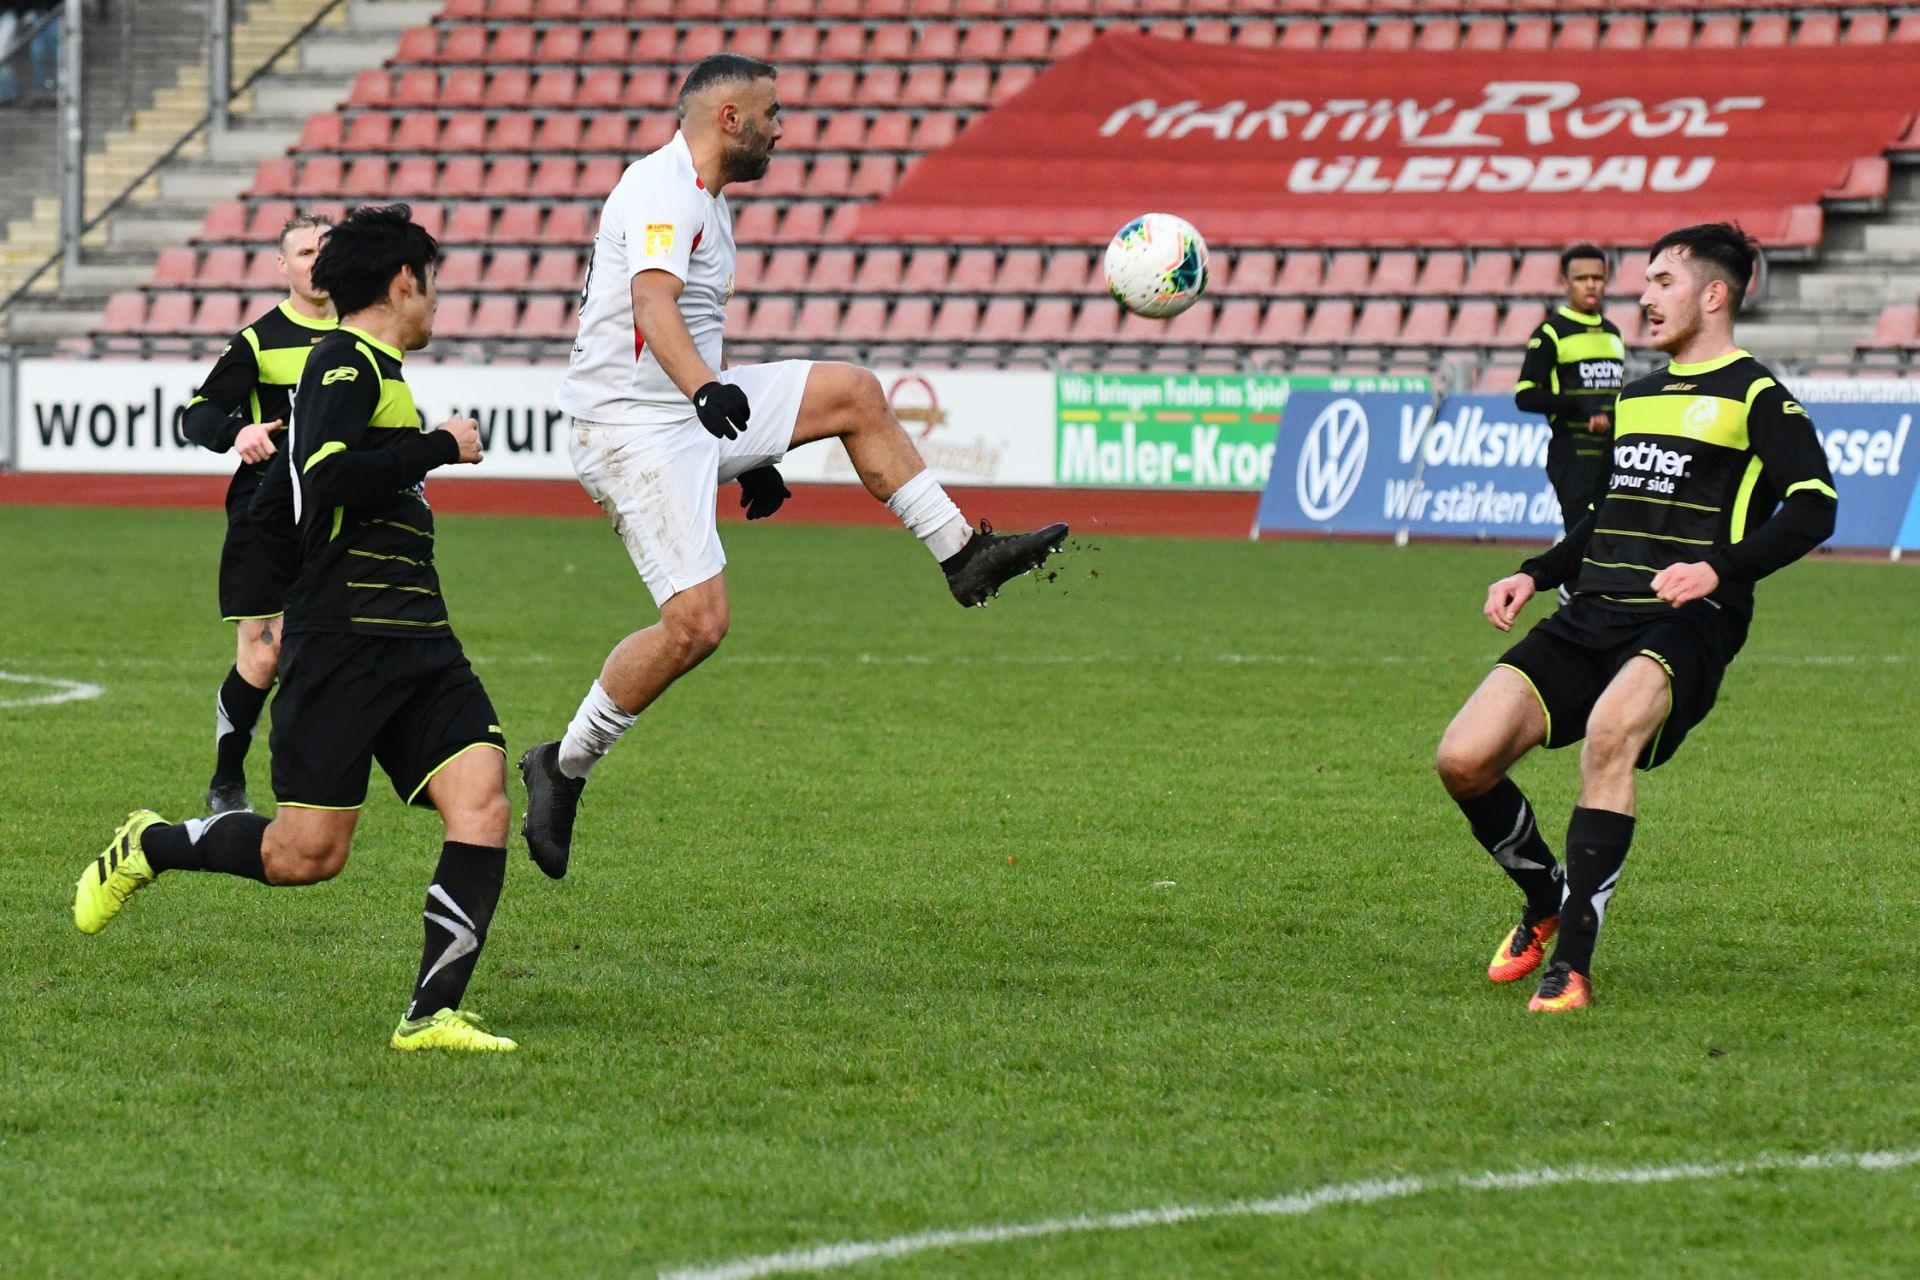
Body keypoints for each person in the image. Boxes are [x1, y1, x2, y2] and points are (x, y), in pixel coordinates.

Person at [517, 53, 1069, 877]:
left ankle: (963, 554)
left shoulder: (707, 199)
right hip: (630, 427)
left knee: (854, 393)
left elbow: (691, 330)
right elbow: (652, 306)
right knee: (698, 627)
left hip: (684, 409)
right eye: (772, 113)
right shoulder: (665, 187)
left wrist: (749, 451)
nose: (783, 128)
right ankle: (562, 765)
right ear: (728, 118)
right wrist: (709, 397)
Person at [73, 205, 519, 1053]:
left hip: (419, 636)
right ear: (401, 284)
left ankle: (431, 1015)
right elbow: (328, 479)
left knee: (483, 801)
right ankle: (151, 844)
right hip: (346, 637)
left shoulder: (376, 365)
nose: (435, 302)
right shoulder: (345, 363)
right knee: (305, 855)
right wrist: (437, 446)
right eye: (431, 285)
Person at [1434, 223, 1837, 1013]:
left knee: (1613, 733)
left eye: (1661, 281)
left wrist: (1721, 566)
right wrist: (1536, 571)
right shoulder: (1638, 395)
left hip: (1686, 620)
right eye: (1646, 283)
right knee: (1462, 758)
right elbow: (1611, 513)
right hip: (1590, 614)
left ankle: (1572, 967)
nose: (1643, 297)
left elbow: (1815, 507)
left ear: (1713, 295)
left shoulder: (1758, 395)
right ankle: (1544, 897)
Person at [180, 213, 336, 815]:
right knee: (264, 655)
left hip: (333, 512)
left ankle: (310, 782)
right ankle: (226, 780)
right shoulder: (258, 339)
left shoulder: (364, 334)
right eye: (303, 252)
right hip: (264, 512)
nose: (315, 261)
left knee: (320, 651)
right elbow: (196, 415)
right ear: (284, 266)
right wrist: (236, 430)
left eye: (325, 249)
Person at [1513, 243, 1627, 535]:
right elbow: (1525, 396)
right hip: (1573, 453)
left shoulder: (1613, 333)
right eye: (1581, 278)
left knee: (1611, 541)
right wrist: (1582, 408)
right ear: (1564, 282)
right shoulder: (1551, 333)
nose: (1591, 285)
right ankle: (1570, 581)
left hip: (1612, 454)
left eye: (1597, 277)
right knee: (1583, 541)